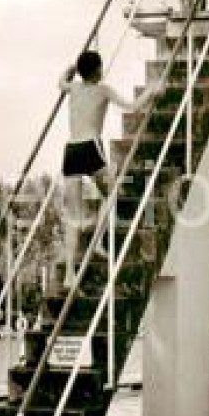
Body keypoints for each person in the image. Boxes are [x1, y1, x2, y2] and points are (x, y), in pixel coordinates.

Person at [56, 50, 157, 296]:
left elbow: (60, 82)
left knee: (72, 215)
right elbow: (133, 105)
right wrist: (152, 91)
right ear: (98, 70)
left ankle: (70, 273)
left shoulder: (74, 89)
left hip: (70, 150)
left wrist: (70, 70)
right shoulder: (103, 90)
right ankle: (99, 239)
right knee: (114, 192)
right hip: (91, 148)